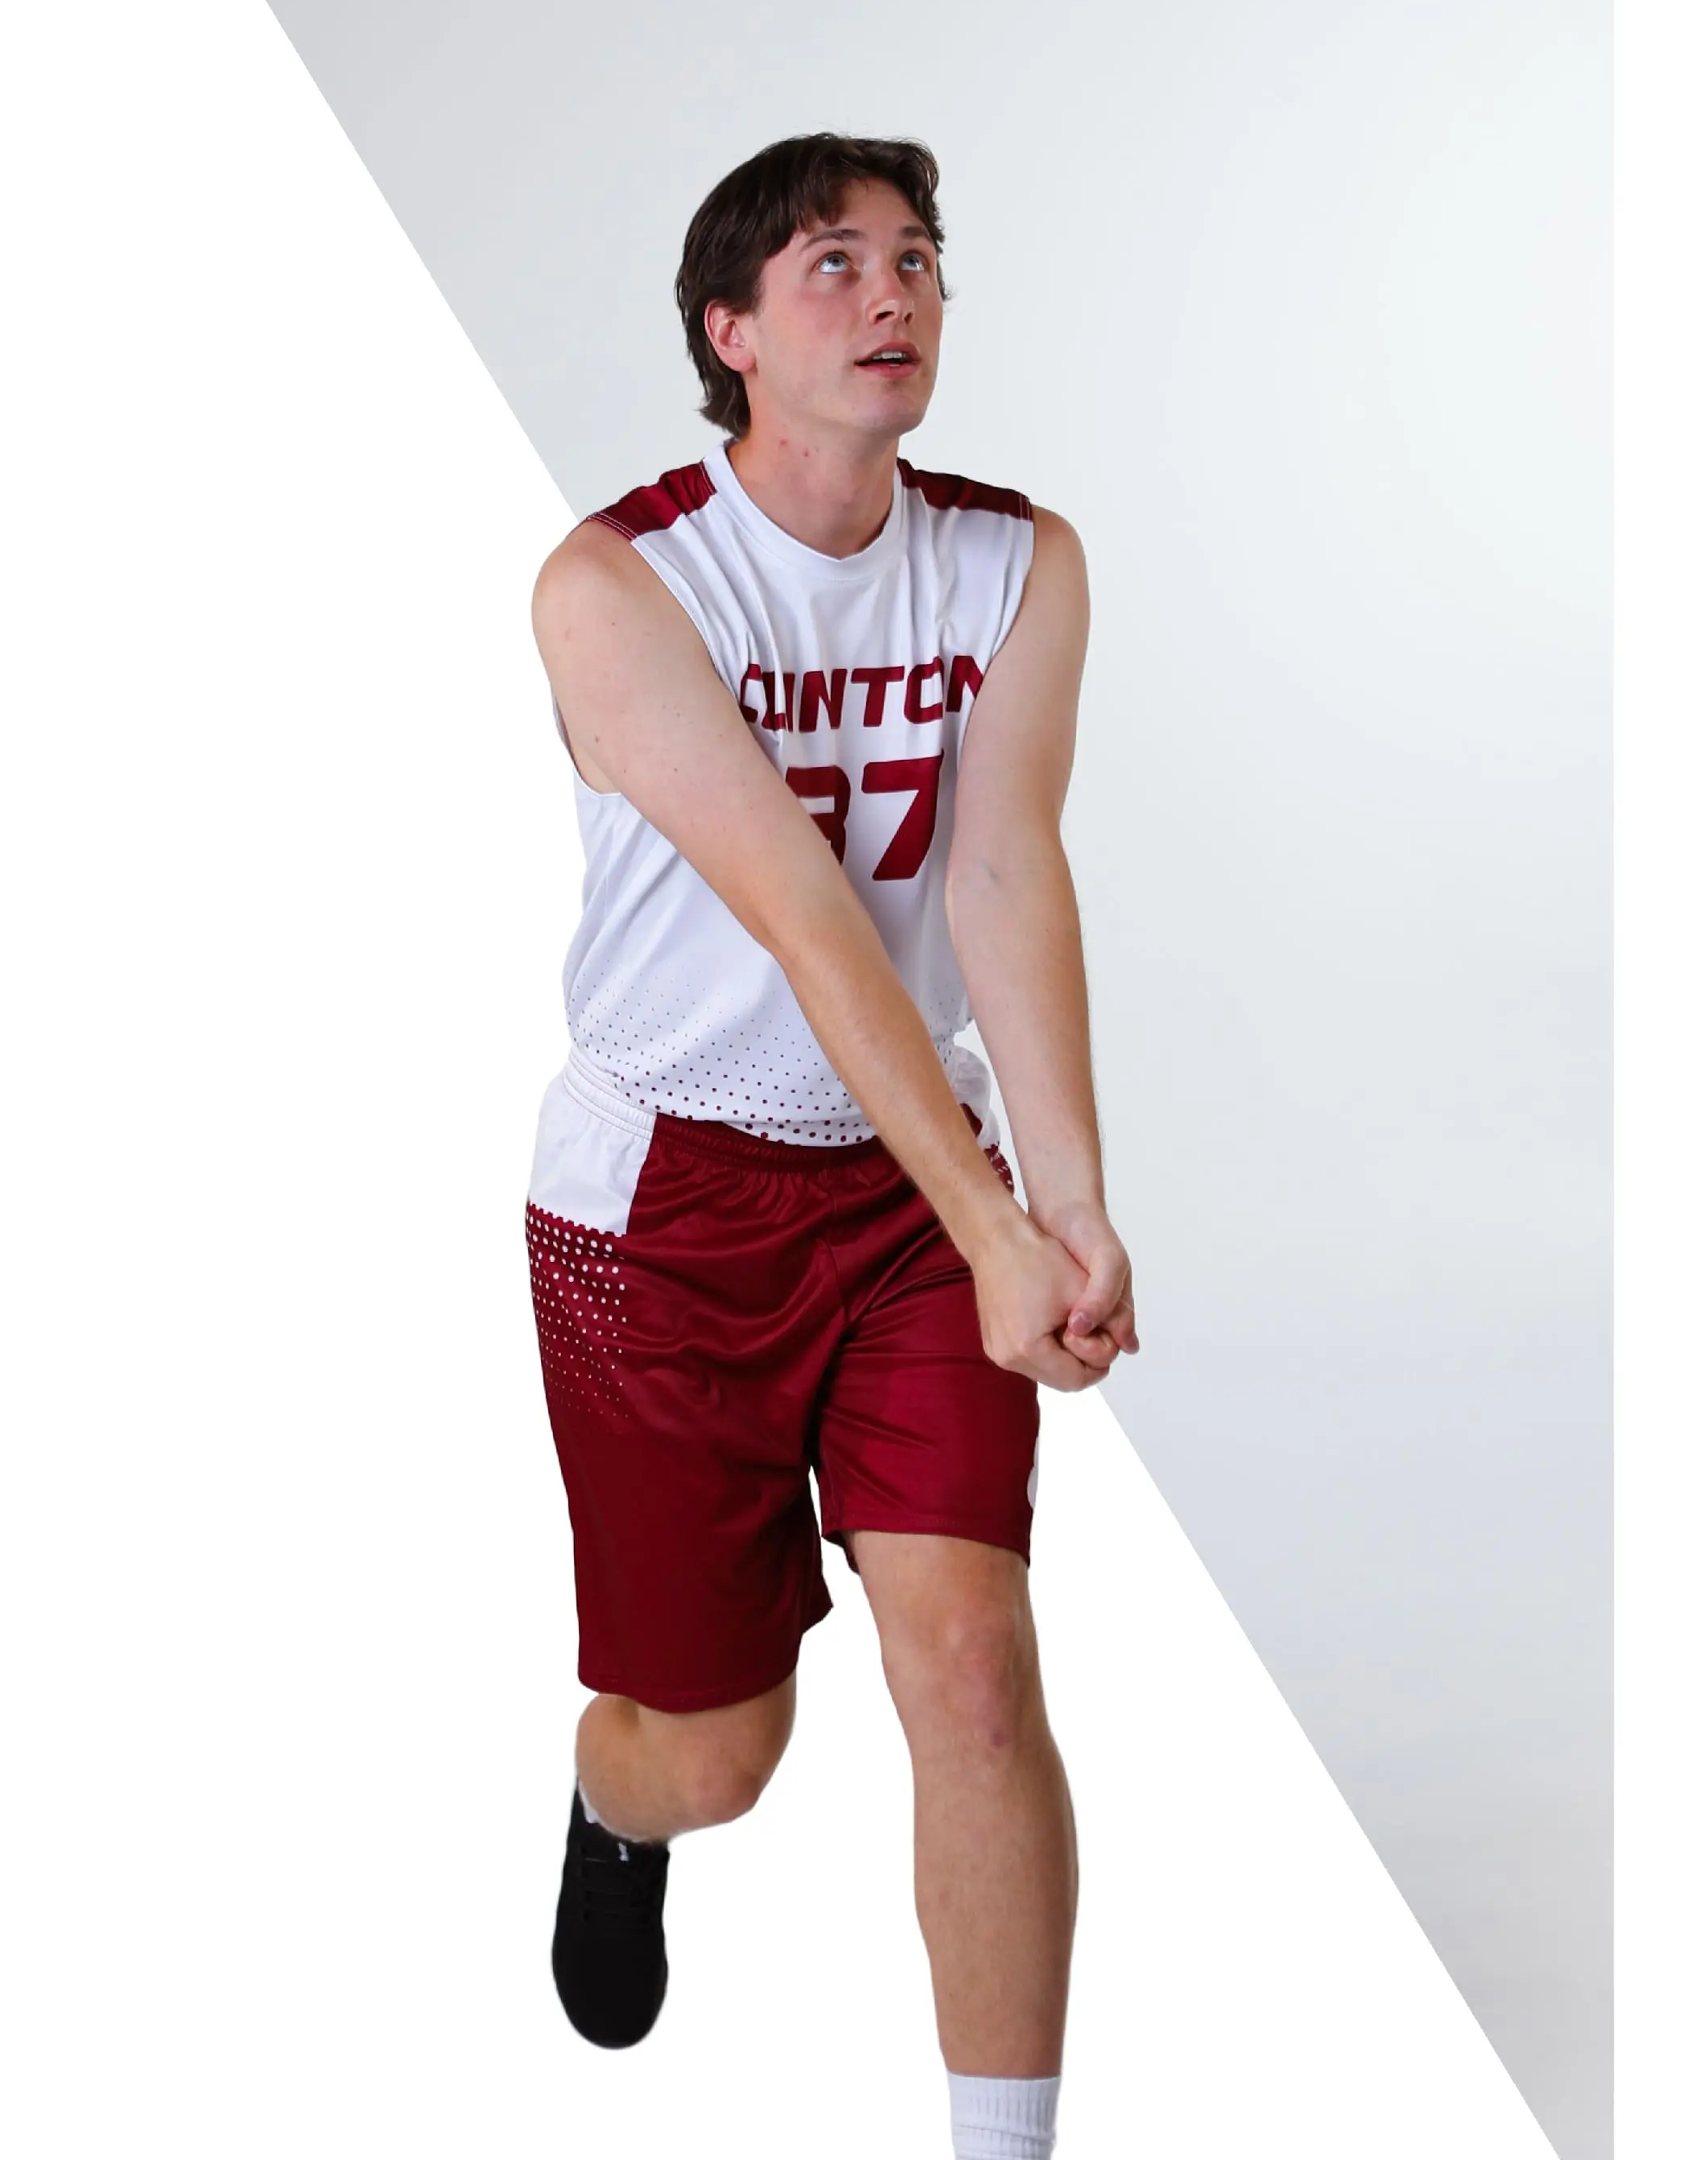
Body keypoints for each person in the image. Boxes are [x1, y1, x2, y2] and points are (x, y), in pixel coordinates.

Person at [523, 134, 1132, 2160]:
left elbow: (999, 874)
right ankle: (618, 1808)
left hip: (895, 1208)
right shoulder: (617, 583)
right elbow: (801, 909)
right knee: (717, 1756)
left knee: (969, 1662)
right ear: (730, 335)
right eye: (835, 267)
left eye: (920, 263)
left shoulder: (1013, 562)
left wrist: (1066, 1203)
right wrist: (997, 1227)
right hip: (664, 1197)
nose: (894, 297)